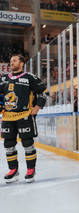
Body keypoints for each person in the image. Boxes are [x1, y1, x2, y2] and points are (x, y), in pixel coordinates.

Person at [0, 54, 48, 183]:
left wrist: (37, 106)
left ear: (22, 63)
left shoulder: (30, 78)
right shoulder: (3, 78)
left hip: (24, 116)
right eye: (10, 61)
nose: (12, 63)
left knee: (27, 143)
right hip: (7, 117)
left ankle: (30, 170)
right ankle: (13, 170)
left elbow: (43, 92)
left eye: (14, 61)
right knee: (8, 145)